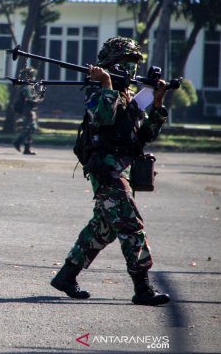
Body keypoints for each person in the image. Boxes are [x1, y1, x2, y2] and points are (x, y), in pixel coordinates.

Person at [50, 36, 170, 306]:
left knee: (103, 227)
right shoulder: (96, 91)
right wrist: (106, 85)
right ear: (111, 65)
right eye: (125, 63)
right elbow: (103, 117)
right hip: (106, 169)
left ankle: (66, 276)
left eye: (134, 64)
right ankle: (143, 287)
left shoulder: (130, 96)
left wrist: (158, 103)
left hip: (123, 168)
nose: (131, 70)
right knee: (130, 223)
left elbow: (144, 135)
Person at [13, 66, 44, 155]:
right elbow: (28, 99)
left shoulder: (29, 87)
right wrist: (37, 100)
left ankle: (27, 148)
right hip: (28, 111)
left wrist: (37, 97)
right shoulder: (25, 87)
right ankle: (18, 142)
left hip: (30, 110)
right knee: (30, 128)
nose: (34, 78)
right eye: (32, 76)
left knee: (31, 129)